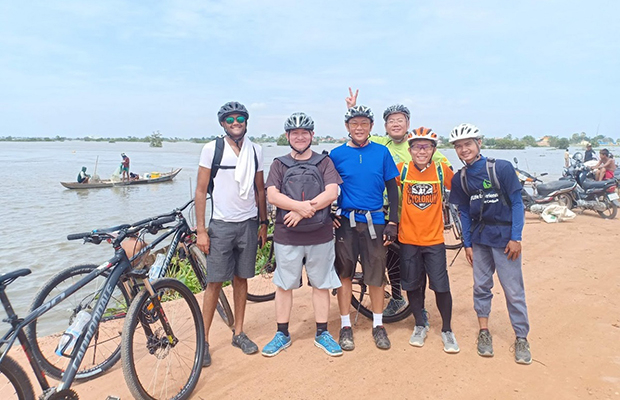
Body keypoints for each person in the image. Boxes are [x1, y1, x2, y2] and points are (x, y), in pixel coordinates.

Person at [345, 88, 450, 320]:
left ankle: (415, 304)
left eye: (400, 120)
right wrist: (352, 108)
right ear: (384, 126)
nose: (395, 124)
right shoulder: (382, 144)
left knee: (410, 260)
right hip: (385, 210)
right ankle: (397, 296)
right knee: (391, 257)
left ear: (408, 123)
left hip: (413, 215)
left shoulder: (417, 145)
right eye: (391, 121)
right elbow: (359, 132)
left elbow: (444, 171)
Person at [447, 123, 531, 365]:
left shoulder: (501, 168)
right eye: (459, 146)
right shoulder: (460, 178)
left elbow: (517, 203)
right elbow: (463, 211)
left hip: (505, 239)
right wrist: (467, 243)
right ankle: (484, 332)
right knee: (481, 286)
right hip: (480, 239)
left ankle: (521, 337)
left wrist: (517, 237)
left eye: (468, 144)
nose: (464, 150)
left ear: (479, 143)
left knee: (513, 290)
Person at [262, 112, 343, 357]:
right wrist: (300, 207)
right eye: (295, 133)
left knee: (321, 284)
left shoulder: (324, 162)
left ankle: (322, 332)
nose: (299, 137)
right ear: (287, 136)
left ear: (312, 136)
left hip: (321, 235)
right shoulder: (279, 163)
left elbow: (332, 192)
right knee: (284, 285)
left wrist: (301, 212)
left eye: (304, 133)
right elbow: (272, 195)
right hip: (287, 236)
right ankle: (282, 333)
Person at [194, 101, 268, 367]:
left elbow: (261, 190)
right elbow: (201, 191)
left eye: (240, 119)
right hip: (221, 225)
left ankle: (239, 332)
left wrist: (263, 223)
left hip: (248, 224)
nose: (235, 123)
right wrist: (201, 230)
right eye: (230, 120)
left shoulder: (256, 150)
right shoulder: (212, 149)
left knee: (241, 279)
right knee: (214, 283)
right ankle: (203, 342)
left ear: (246, 122)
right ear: (223, 123)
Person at [331, 105, 400, 351]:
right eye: (354, 123)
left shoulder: (381, 152)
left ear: (371, 127)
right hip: (346, 223)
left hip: (375, 222)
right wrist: (329, 213)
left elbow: (392, 188)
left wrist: (393, 221)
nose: (359, 128)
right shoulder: (336, 154)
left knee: (376, 275)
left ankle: (378, 325)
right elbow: (327, 186)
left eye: (364, 123)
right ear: (347, 127)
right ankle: (345, 326)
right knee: (344, 274)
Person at [396, 127, 459, 353]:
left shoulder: (442, 171)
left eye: (426, 146)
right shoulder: (401, 170)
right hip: (408, 239)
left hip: (434, 240)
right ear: (410, 149)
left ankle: (447, 330)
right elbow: (382, 190)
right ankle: (420, 325)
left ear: (433, 150)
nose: (421, 151)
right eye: (416, 146)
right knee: (412, 285)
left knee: (441, 286)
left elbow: (464, 188)